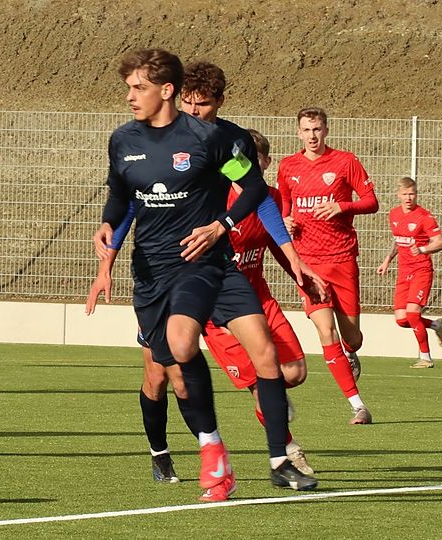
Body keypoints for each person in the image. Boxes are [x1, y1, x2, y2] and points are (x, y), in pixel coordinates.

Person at [93, 49, 316, 502]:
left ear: (165, 90)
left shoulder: (216, 140)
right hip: (154, 272)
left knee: (266, 354)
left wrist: (224, 226)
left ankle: (279, 459)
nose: (130, 96)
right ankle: (205, 447)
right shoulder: (123, 141)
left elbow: (255, 189)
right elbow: (122, 197)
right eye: (129, 88)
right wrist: (107, 237)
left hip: (210, 263)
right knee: (167, 372)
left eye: (138, 88)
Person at [276, 107, 377, 424]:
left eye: (317, 129)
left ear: (326, 130)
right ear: (298, 133)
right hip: (309, 264)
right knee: (325, 331)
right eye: (307, 130)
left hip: (342, 259)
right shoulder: (288, 166)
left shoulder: (345, 161)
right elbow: (284, 207)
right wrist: (286, 221)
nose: (312, 136)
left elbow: (371, 201)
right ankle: (358, 406)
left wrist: (342, 206)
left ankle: (351, 351)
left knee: (352, 337)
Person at [376, 177, 442, 368]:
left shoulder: (424, 216)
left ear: (416, 194)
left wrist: (423, 249)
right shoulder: (394, 214)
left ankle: (426, 358)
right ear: (398, 195)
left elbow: (440, 242)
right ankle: (435, 325)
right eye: (405, 194)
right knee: (401, 320)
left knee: (413, 314)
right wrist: (387, 260)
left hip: (421, 270)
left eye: (412, 194)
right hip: (404, 271)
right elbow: (398, 240)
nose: (409, 198)